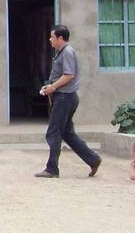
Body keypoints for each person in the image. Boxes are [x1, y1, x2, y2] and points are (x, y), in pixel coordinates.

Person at [34, 24, 102, 178]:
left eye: (52, 37)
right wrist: (51, 86)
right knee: (67, 133)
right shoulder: (61, 52)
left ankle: (52, 169)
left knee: (53, 132)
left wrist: (53, 87)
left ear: (60, 38)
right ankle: (93, 159)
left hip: (65, 98)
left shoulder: (67, 52)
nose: (50, 39)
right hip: (64, 97)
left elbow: (69, 75)